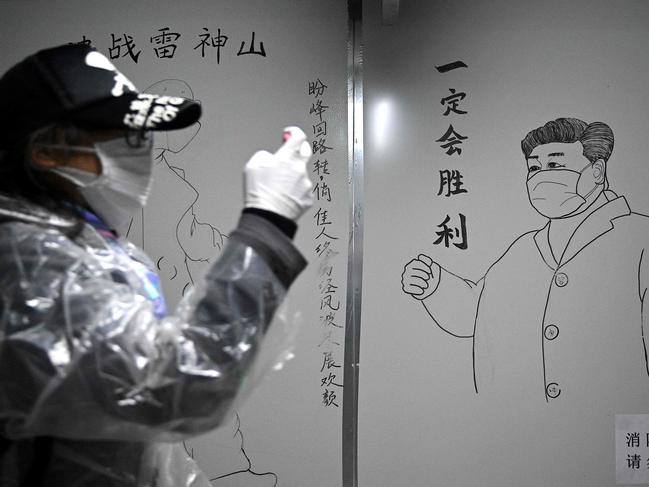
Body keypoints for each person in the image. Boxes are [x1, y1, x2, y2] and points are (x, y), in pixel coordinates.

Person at [0, 44, 314, 487]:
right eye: (125, 136)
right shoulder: (28, 263)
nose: (142, 151)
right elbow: (176, 389)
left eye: (144, 136)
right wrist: (268, 222)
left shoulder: (75, 242)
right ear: (48, 149)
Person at [402, 117, 649, 403]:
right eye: (534, 168)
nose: (541, 176)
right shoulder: (524, 248)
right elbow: (477, 311)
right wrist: (436, 285)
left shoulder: (639, 238)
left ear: (596, 170)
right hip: (519, 429)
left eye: (555, 165)